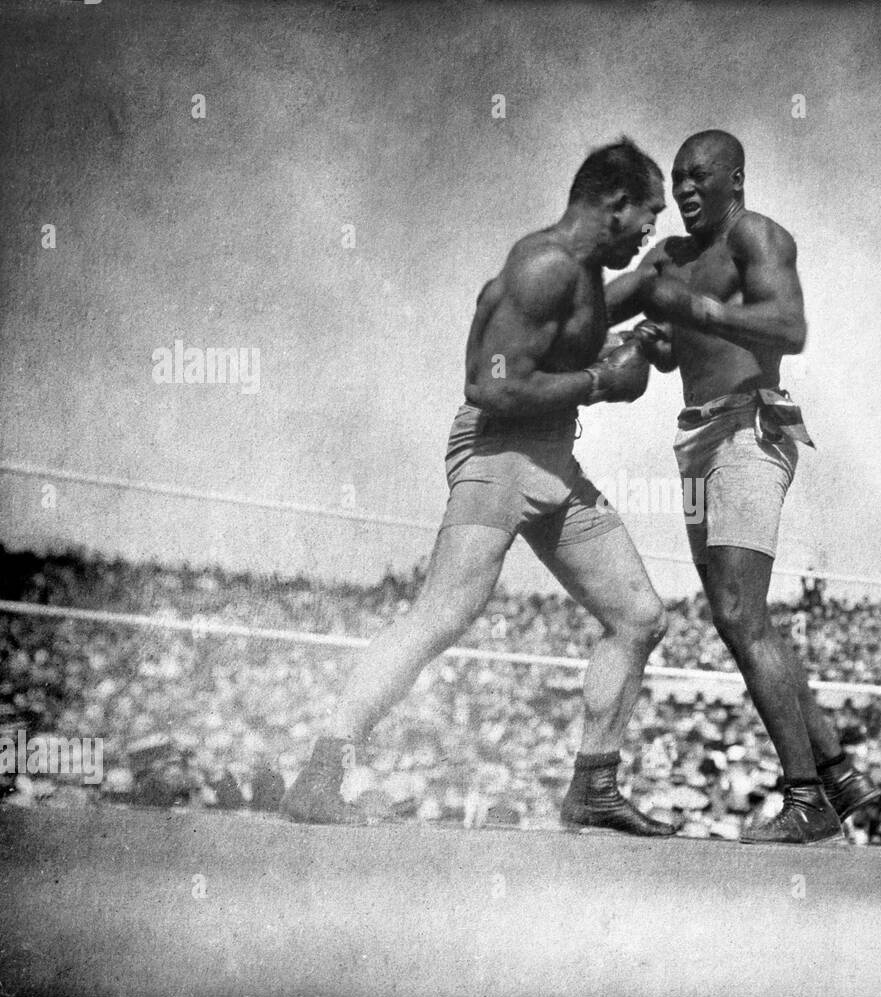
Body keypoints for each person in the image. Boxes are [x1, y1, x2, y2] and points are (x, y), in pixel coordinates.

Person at [284, 138, 678, 836]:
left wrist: (641, 338)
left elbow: (587, 330)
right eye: (648, 216)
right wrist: (599, 381)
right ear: (614, 204)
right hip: (499, 451)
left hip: (553, 460)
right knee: (443, 614)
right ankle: (322, 770)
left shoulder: (581, 273)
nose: (652, 231)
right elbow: (491, 384)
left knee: (640, 615)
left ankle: (593, 786)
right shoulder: (545, 266)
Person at [605, 130, 879, 843]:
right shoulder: (669, 256)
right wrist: (652, 345)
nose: (688, 190)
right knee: (739, 614)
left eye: (701, 176)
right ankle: (839, 773)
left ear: (737, 178)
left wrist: (701, 313)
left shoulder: (757, 235)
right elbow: (675, 353)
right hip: (694, 438)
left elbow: (791, 327)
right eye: (679, 180)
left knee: (737, 608)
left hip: (750, 429)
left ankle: (806, 796)